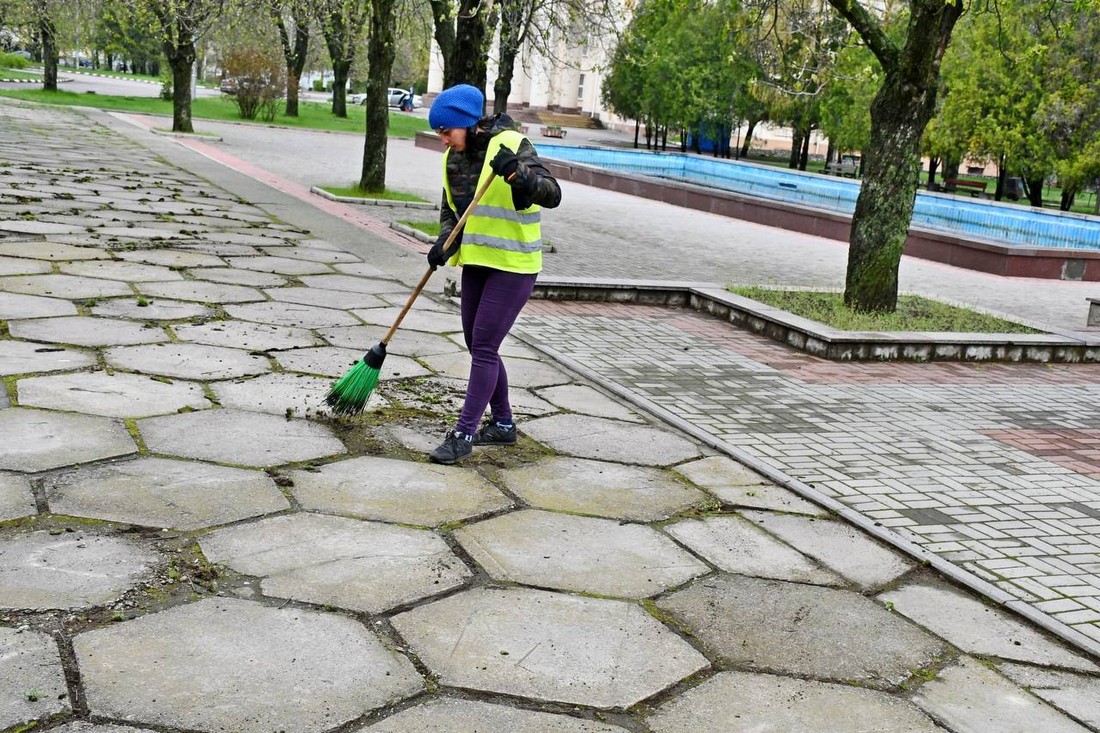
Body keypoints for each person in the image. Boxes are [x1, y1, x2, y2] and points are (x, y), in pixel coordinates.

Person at [425, 84, 562, 464]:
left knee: (484, 346)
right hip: (478, 262)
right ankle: (503, 426)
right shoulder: (452, 160)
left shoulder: (513, 145)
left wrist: (517, 174)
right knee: (476, 343)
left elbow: (552, 193)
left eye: (446, 132)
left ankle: (463, 433)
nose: (443, 140)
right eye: (439, 133)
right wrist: (444, 244)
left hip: (514, 265)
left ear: (467, 124)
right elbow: (452, 211)